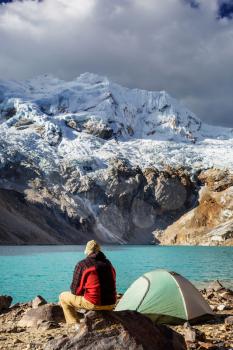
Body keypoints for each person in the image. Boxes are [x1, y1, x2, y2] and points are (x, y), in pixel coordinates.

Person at [59, 240, 117, 324]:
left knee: (63, 297)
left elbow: (75, 291)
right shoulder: (108, 263)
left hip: (94, 303)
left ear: (87, 251)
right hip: (111, 303)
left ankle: (73, 325)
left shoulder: (83, 264)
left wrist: (85, 291)